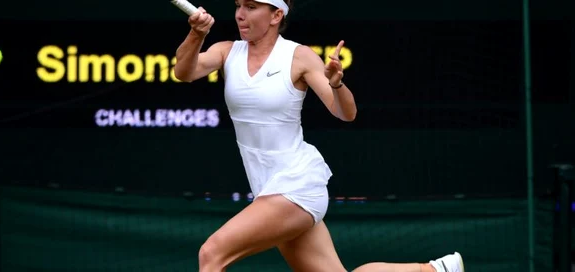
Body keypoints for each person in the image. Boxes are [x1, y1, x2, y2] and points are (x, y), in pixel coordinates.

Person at [173, 0, 465, 271]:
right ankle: (434, 269)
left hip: (296, 186)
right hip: (267, 188)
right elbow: (185, 72)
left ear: (277, 15)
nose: (240, 14)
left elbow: (345, 113)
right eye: (238, 5)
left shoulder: (299, 56)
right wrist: (197, 35)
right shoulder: (226, 51)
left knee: (211, 253)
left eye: (251, 6)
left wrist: (337, 85)